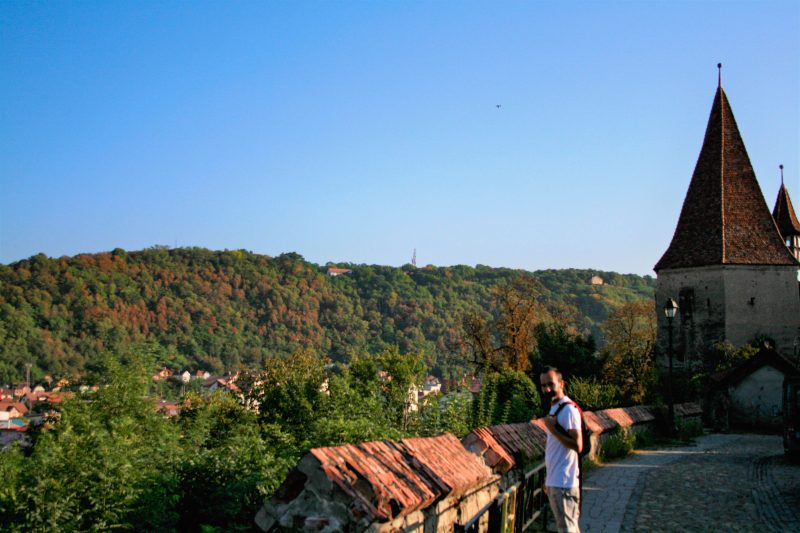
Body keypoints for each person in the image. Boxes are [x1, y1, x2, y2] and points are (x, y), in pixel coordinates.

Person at [540, 366, 582, 533]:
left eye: (550, 384)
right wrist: (548, 480)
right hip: (557, 481)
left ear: (562, 383)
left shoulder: (568, 410)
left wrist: (554, 429)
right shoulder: (555, 408)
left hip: (563, 483)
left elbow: (578, 445)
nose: (547, 389)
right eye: (543, 386)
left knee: (567, 529)